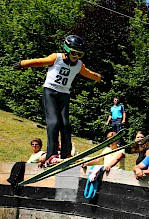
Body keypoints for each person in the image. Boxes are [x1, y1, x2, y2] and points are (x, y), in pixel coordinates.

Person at [13, 35, 103, 164]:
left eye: (80, 54)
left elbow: (89, 74)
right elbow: (39, 61)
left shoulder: (78, 65)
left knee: (66, 125)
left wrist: (100, 77)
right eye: (74, 53)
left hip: (64, 94)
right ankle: (51, 154)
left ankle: (66, 154)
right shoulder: (57, 58)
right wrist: (22, 64)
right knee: (54, 123)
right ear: (66, 49)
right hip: (50, 91)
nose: (76, 56)